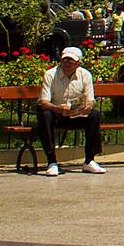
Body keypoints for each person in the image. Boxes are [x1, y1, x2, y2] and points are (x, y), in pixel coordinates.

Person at [35, 45, 103, 176]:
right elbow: (43, 102)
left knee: (95, 116)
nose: (67, 64)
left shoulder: (85, 75)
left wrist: (87, 106)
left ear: (78, 63)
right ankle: (52, 162)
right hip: (57, 114)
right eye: (64, 60)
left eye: (71, 61)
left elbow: (90, 99)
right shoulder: (50, 74)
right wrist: (59, 109)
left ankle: (89, 160)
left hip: (77, 115)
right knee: (45, 115)